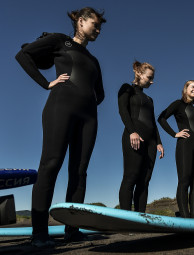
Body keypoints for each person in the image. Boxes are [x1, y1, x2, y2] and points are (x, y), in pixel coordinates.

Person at [15, 7, 106, 247]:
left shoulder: (94, 60)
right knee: (51, 164)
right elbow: (23, 55)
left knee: (79, 171)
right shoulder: (59, 41)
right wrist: (47, 83)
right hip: (60, 108)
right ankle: (39, 233)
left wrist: (86, 100)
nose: (97, 30)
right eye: (94, 25)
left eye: (99, 27)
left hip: (89, 118)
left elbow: (101, 94)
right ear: (80, 21)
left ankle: (72, 230)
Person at [118, 61, 164, 213]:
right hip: (134, 136)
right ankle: (125, 218)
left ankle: (140, 217)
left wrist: (159, 142)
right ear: (139, 74)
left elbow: (152, 122)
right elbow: (123, 111)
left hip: (151, 142)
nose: (152, 81)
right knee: (131, 176)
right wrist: (132, 131)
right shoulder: (127, 89)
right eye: (149, 78)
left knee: (145, 181)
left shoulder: (150, 99)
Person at [158, 80, 194, 218]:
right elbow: (161, 118)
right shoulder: (178, 104)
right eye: (193, 87)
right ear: (186, 89)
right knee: (185, 180)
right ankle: (185, 217)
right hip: (185, 145)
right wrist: (174, 134)